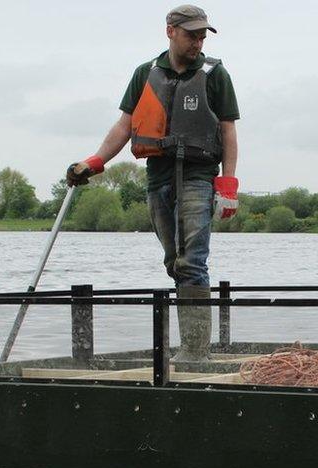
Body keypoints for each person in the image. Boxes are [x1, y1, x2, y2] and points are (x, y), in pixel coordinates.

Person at [66, 5, 240, 362]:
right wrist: (95, 162)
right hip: (158, 176)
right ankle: (190, 346)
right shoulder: (145, 73)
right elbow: (125, 126)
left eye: (203, 34)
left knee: (193, 261)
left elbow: (228, 131)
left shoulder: (215, 74)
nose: (198, 41)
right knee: (174, 262)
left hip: (198, 175)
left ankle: (194, 352)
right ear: (170, 32)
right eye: (192, 34)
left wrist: (228, 185)